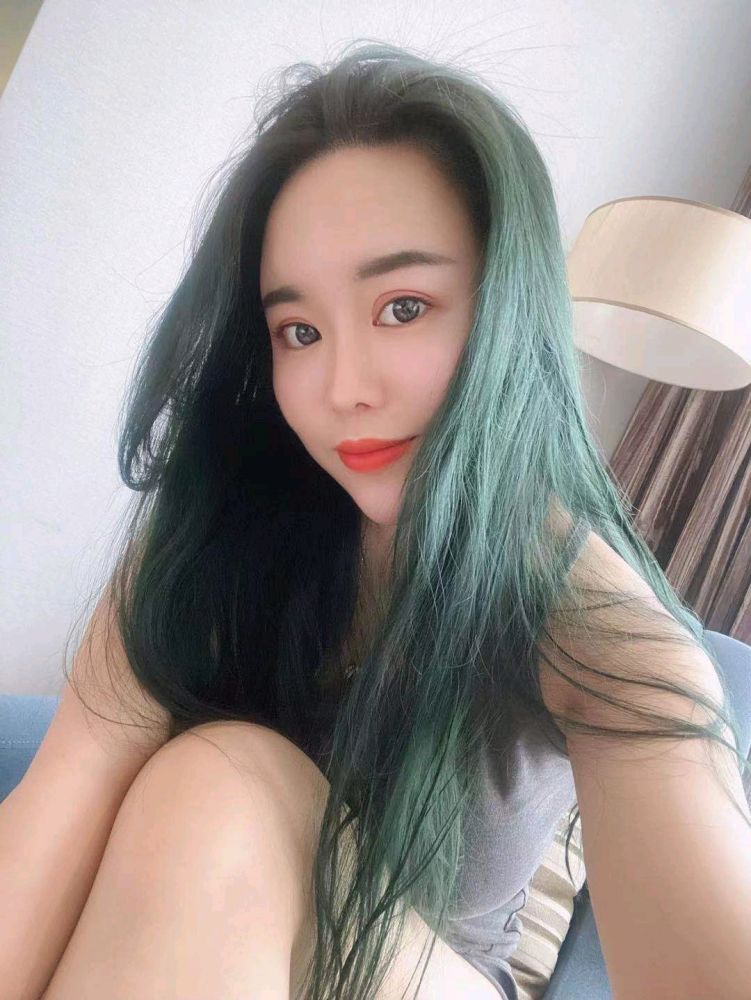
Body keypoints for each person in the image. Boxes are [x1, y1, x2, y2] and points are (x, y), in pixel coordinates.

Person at [27, 39, 750, 1000]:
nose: (343, 389)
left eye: (403, 307)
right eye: (299, 331)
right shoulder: (220, 534)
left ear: (506, 310)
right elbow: (63, 800)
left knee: (223, 778)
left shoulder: (593, 622)